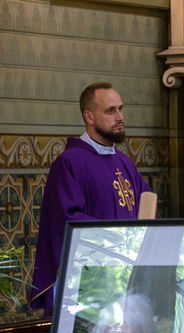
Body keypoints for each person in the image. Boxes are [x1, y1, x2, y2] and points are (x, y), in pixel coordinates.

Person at [31, 83, 150, 309]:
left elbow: (147, 208)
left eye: (121, 109)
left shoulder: (124, 162)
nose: (120, 117)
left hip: (129, 275)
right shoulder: (69, 162)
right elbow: (67, 221)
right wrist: (121, 236)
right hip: (89, 280)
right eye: (110, 111)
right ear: (89, 116)